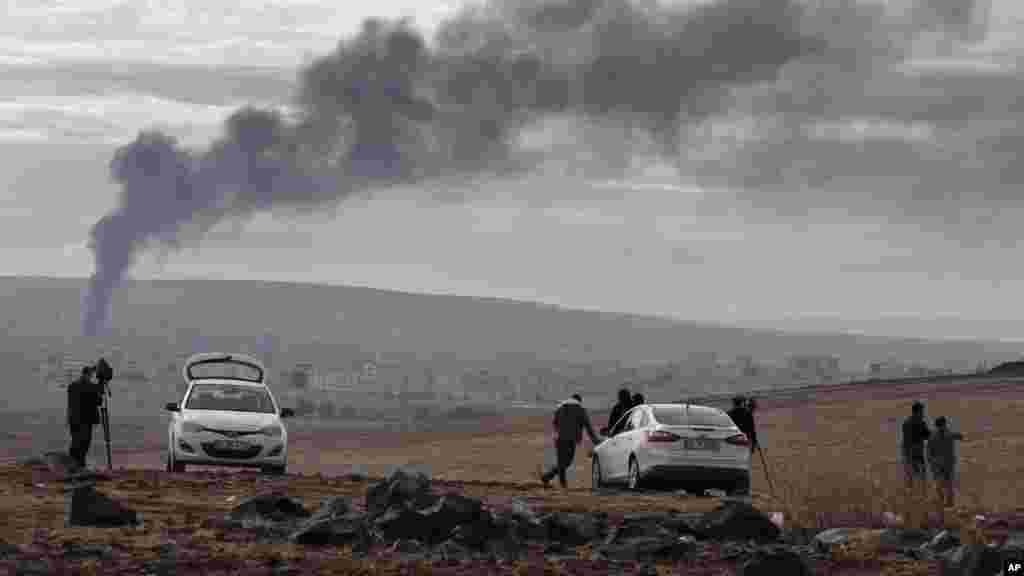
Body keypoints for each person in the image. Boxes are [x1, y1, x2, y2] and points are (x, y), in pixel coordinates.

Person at [539, 393, 602, 489]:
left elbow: (555, 423)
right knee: (566, 463)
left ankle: (548, 477)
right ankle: (559, 483)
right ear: (579, 401)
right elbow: (588, 428)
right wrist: (597, 442)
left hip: (560, 439)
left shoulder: (560, 408)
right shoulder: (580, 410)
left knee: (561, 463)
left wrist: (560, 431)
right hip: (571, 440)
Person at [67, 366, 102, 469]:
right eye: (91, 375)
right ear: (88, 375)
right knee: (84, 444)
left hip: (73, 420)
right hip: (85, 421)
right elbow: (99, 401)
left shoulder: (72, 386)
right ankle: (80, 465)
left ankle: (73, 463)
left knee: (75, 442)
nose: (91, 377)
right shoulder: (91, 387)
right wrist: (99, 386)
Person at [927, 416, 965, 507]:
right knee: (948, 484)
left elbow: (929, 451)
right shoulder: (947, 434)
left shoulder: (933, 436)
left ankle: (943, 501)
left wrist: (931, 461)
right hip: (946, 463)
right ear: (944, 424)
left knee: (940, 484)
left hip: (939, 463)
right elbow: (960, 436)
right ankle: (948, 502)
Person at [901, 401, 931, 490]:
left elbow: (906, 438)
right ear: (918, 412)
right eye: (922, 411)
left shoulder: (906, 422)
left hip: (907, 450)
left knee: (910, 474)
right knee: (921, 474)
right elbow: (928, 436)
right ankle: (920, 491)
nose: (923, 414)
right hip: (915, 451)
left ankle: (911, 491)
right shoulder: (921, 423)